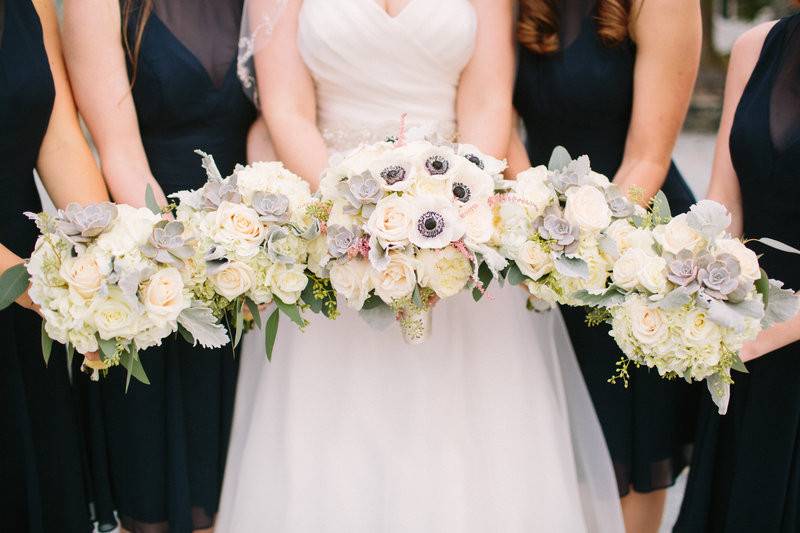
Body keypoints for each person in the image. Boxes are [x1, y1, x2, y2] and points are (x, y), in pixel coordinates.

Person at [217, 1, 624, 531]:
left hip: (458, 233)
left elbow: (486, 101)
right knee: (333, 452)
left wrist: (448, 210)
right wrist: (355, 218)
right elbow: (287, 110)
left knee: (466, 453)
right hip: (329, 234)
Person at [61, 0, 256, 530]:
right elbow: (118, 150)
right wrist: (183, 259)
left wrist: (259, 240)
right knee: (164, 493)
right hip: (152, 259)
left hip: (260, 250)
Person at [509, 1, 701, 531]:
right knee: (553, 443)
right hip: (537, 238)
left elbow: (648, 156)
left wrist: (585, 247)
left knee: (630, 451)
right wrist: (538, 232)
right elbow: (499, 121)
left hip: (634, 242)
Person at [674, 10, 800, 532]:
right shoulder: (756, 46)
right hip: (748, 342)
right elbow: (723, 204)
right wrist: (705, 291)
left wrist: (767, 334)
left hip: (766, 338)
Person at [0, 0, 110, 530]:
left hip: (25, 293)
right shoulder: (33, 287)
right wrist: (34, 286)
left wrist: (107, 257)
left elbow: (58, 133)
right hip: (22, 282)